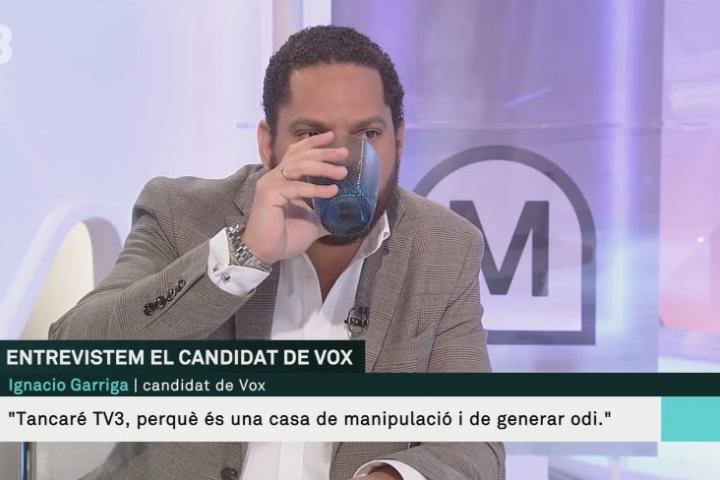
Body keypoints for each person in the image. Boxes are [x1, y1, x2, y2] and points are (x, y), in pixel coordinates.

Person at [49, 25, 505, 480]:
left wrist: (391, 477)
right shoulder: (181, 213)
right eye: (312, 135)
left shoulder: (444, 247)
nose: (343, 163)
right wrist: (244, 253)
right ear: (268, 143)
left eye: (367, 133)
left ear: (399, 140)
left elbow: (475, 444)